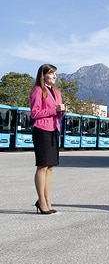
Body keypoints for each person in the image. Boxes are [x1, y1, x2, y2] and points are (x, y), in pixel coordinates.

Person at [30, 64, 66, 215]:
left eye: (55, 75)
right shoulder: (38, 91)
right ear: (43, 75)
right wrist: (54, 110)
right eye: (51, 74)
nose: (54, 77)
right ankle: (41, 201)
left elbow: (58, 113)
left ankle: (47, 199)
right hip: (42, 130)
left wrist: (62, 111)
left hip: (53, 130)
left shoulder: (56, 92)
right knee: (42, 166)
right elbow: (35, 113)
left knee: (50, 166)